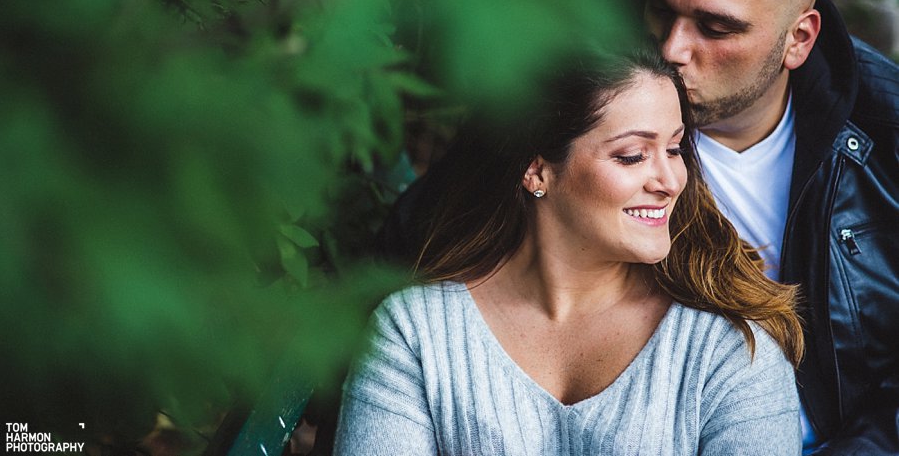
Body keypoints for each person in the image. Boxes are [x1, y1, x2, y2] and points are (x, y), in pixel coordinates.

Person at [335, 46, 804, 455]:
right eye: (633, 155)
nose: (669, 181)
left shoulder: (730, 350)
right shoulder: (415, 334)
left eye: (675, 149)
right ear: (536, 171)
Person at [640, 0, 899, 454]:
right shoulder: (572, 107)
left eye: (715, 28)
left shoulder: (885, 130)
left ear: (798, 40)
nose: (672, 48)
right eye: (660, 8)